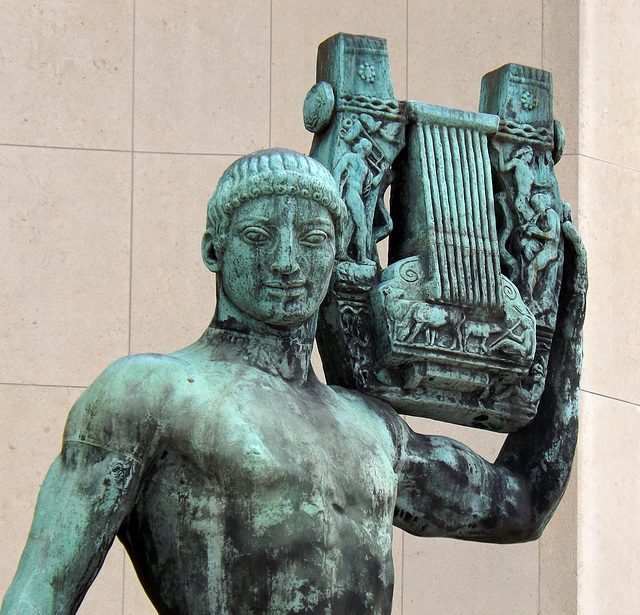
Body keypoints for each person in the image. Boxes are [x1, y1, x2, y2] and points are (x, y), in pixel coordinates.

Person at [0, 149, 586, 615]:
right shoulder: (149, 393)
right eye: (257, 237)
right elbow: (43, 591)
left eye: (312, 240)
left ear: (335, 255)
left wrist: (566, 330)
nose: (286, 262)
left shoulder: (373, 427)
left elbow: (521, 503)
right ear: (213, 249)